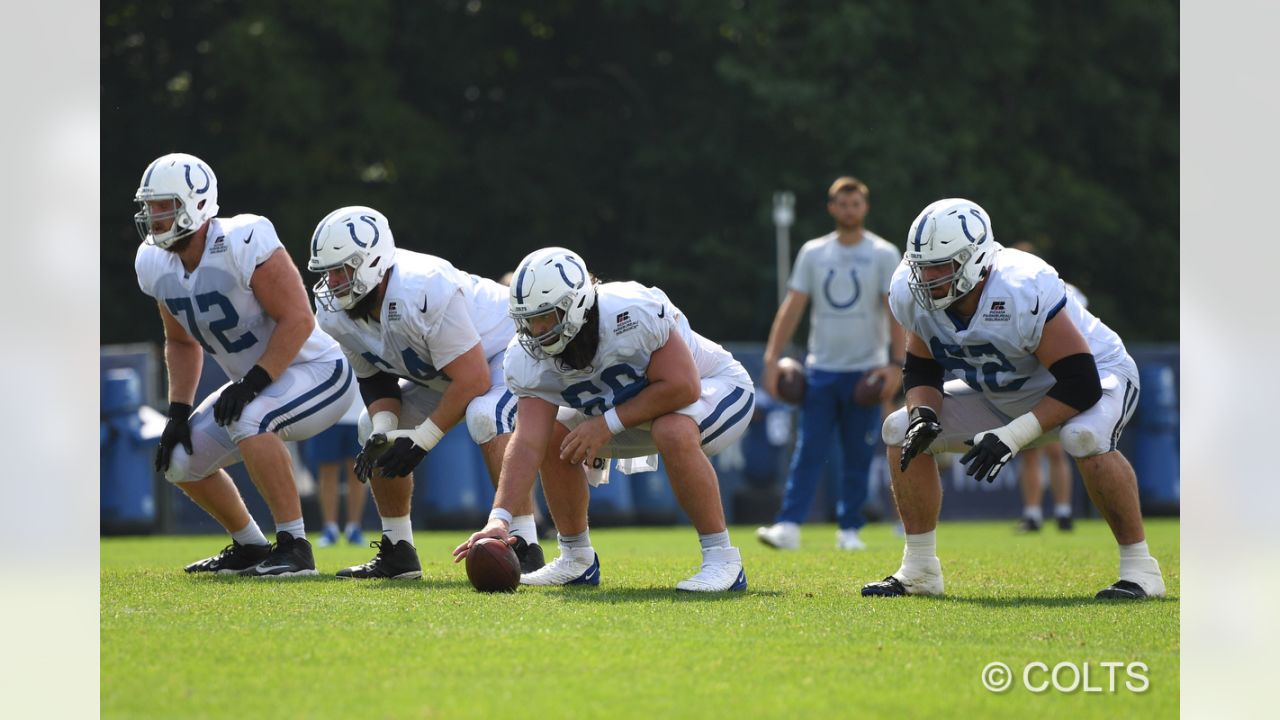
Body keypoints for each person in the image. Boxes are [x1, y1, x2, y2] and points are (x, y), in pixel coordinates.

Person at [862, 198, 1166, 600]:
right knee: (900, 429)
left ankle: (1141, 570)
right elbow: (921, 368)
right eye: (921, 265)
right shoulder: (909, 289)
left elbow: (1080, 383)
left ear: (976, 259)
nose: (927, 277)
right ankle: (918, 570)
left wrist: (1013, 435)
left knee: (1082, 438)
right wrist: (924, 414)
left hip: (1097, 373)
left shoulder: (1022, 285)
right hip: (1002, 390)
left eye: (940, 266)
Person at [452, 247, 756, 592]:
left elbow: (683, 388)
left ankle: (722, 560)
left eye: (546, 317)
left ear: (575, 303)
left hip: (717, 389)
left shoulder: (630, 311)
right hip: (631, 412)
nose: (536, 330)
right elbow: (527, 441)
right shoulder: (524, 356)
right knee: (554, 435)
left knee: (672, 428)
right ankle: (576, 558)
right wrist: (499, 519)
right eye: (528, 320)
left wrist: (606, 424)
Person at [136, 152, 357, 577]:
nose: (153, 216)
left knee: (250, 417)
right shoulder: (153, 263)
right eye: (150, 206)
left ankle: (294, 547)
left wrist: (253, 382)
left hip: (317, 373)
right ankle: (250, 545)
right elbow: (180, 341)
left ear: (196, 204)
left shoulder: (243, 239)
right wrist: (178, 410)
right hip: (257, 384)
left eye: (164, 205)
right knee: (180, 460)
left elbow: (298, 319)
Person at [308, 206, 545, 579]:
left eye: (343, 269)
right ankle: (398, 551)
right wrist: (387, 429)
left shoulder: (423, 286)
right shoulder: (334, 312)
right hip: (446, 372)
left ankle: (524, 544)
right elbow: (375, 379)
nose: (333, 281)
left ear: (373, 261)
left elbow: (473, 381)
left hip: (503, 353)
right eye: (328, 271)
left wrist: (420, 440)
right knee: (372, 429)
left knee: (485, 414)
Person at [757, 176, 904, 551]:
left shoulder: (884, 253)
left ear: (864, 208)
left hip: (866, 370)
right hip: (821, 368)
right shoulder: (813, 252)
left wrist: (895, 365)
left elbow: (895, 313)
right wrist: (773, 359)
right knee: (808, 450)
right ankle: (788, 525)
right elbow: (792, 307)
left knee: (858, 453)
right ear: (831, 208)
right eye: (842, 203)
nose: (849, 210)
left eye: (855, 204)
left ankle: (849, 529)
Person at [1008, 241, 1086, 532]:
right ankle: (1033, 513)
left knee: (1055, 450)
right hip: (1026, 379)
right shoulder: (1006, 293)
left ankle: (1063, 511)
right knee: (1029, 451)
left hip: (1053, 378)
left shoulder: (1062, 289)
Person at [306, 392, 369, 546]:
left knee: (358, 472)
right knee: (327, 472)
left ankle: (354, 528)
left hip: (361, 415)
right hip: (326, 414)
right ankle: (330, 529)